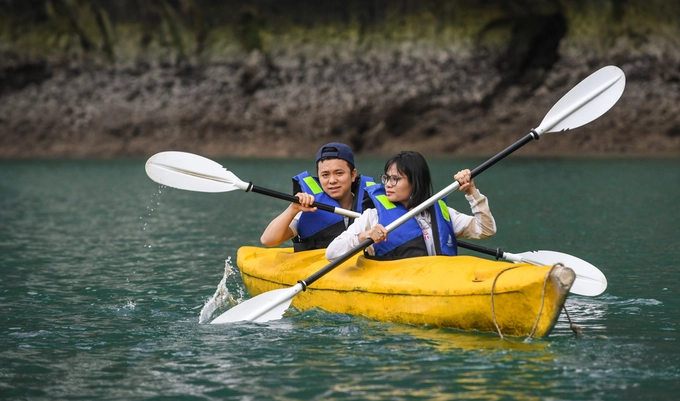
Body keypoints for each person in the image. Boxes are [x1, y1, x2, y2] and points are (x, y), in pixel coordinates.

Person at [326, 151, 496, 261]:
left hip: (437, 282)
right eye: (387, 178)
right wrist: (365, 236)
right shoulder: (373, 216)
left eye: (396, 179)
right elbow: (332, 253)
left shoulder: (439, 213)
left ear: (415, 182)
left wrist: (471, 192)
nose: (388, 185)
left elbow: (486, 229)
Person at [260, 142, 375, 251]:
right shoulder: (309, 208)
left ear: (353, 174)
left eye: (339, 173)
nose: (332, 180)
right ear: (319, 178)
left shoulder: (372, 209)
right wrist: (293, 208)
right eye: (325, 175)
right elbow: (268, 240)